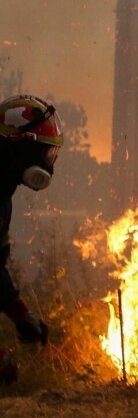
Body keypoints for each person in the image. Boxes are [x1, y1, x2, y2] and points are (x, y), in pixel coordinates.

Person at [0, 94, 62, 383]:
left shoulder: (3, 192)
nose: (48, 165)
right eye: (44, 153)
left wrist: (21, 314)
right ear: (21, 146)